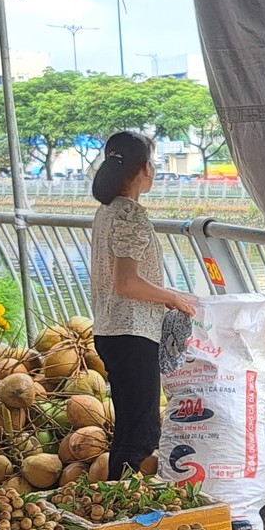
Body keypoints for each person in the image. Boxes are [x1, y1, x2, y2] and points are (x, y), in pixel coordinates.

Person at [89, 130, 198, 479]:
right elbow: (127, 283)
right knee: (143, 433)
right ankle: (123, 512)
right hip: (132, 334)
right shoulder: (131, 215)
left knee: (129, 429)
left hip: (109, 331)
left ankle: (112, 505)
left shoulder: (106, 211)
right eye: (151, 162)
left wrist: (164, 294)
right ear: (143, 168)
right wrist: (173, 297)